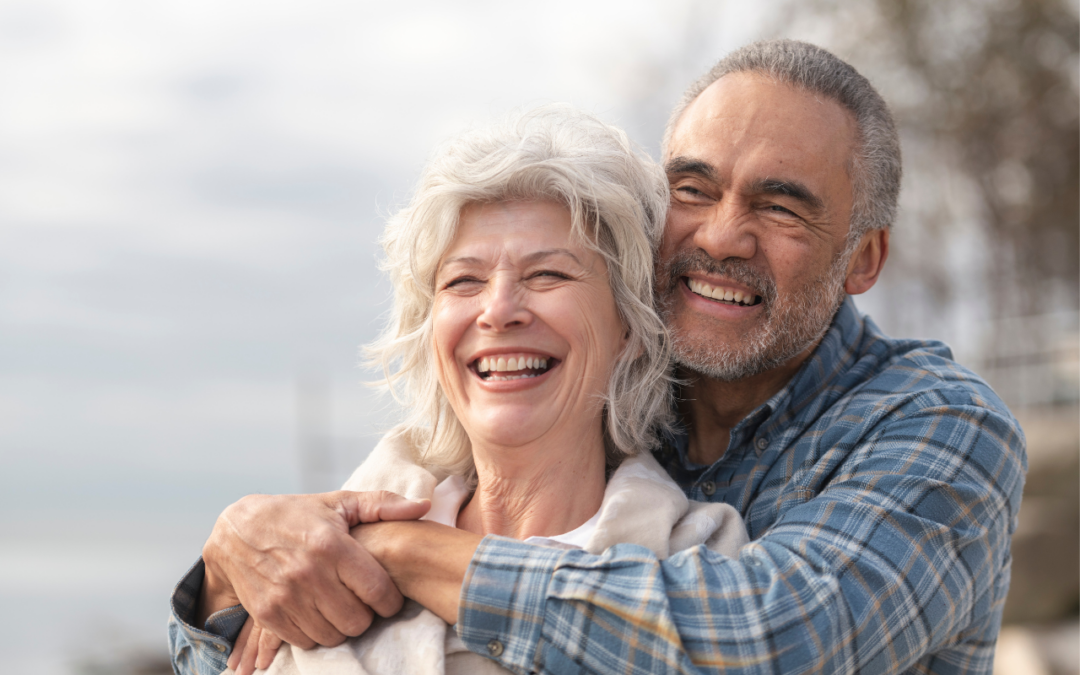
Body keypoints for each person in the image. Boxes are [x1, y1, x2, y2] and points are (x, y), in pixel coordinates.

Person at [170, 39, 1026, 675]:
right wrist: (229, 559)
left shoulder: (939, 424)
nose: (721, 234)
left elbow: (780, 638)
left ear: (865, 259)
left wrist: (402, 554)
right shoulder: (598, 391)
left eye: (781, 207)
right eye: (692, 189)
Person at [173, 106, 750, 675]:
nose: (498, 311)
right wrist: (222, 575)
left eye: (547, 274)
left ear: (631, 327)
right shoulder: (311, 563)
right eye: (464, 280)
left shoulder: (702, 562)